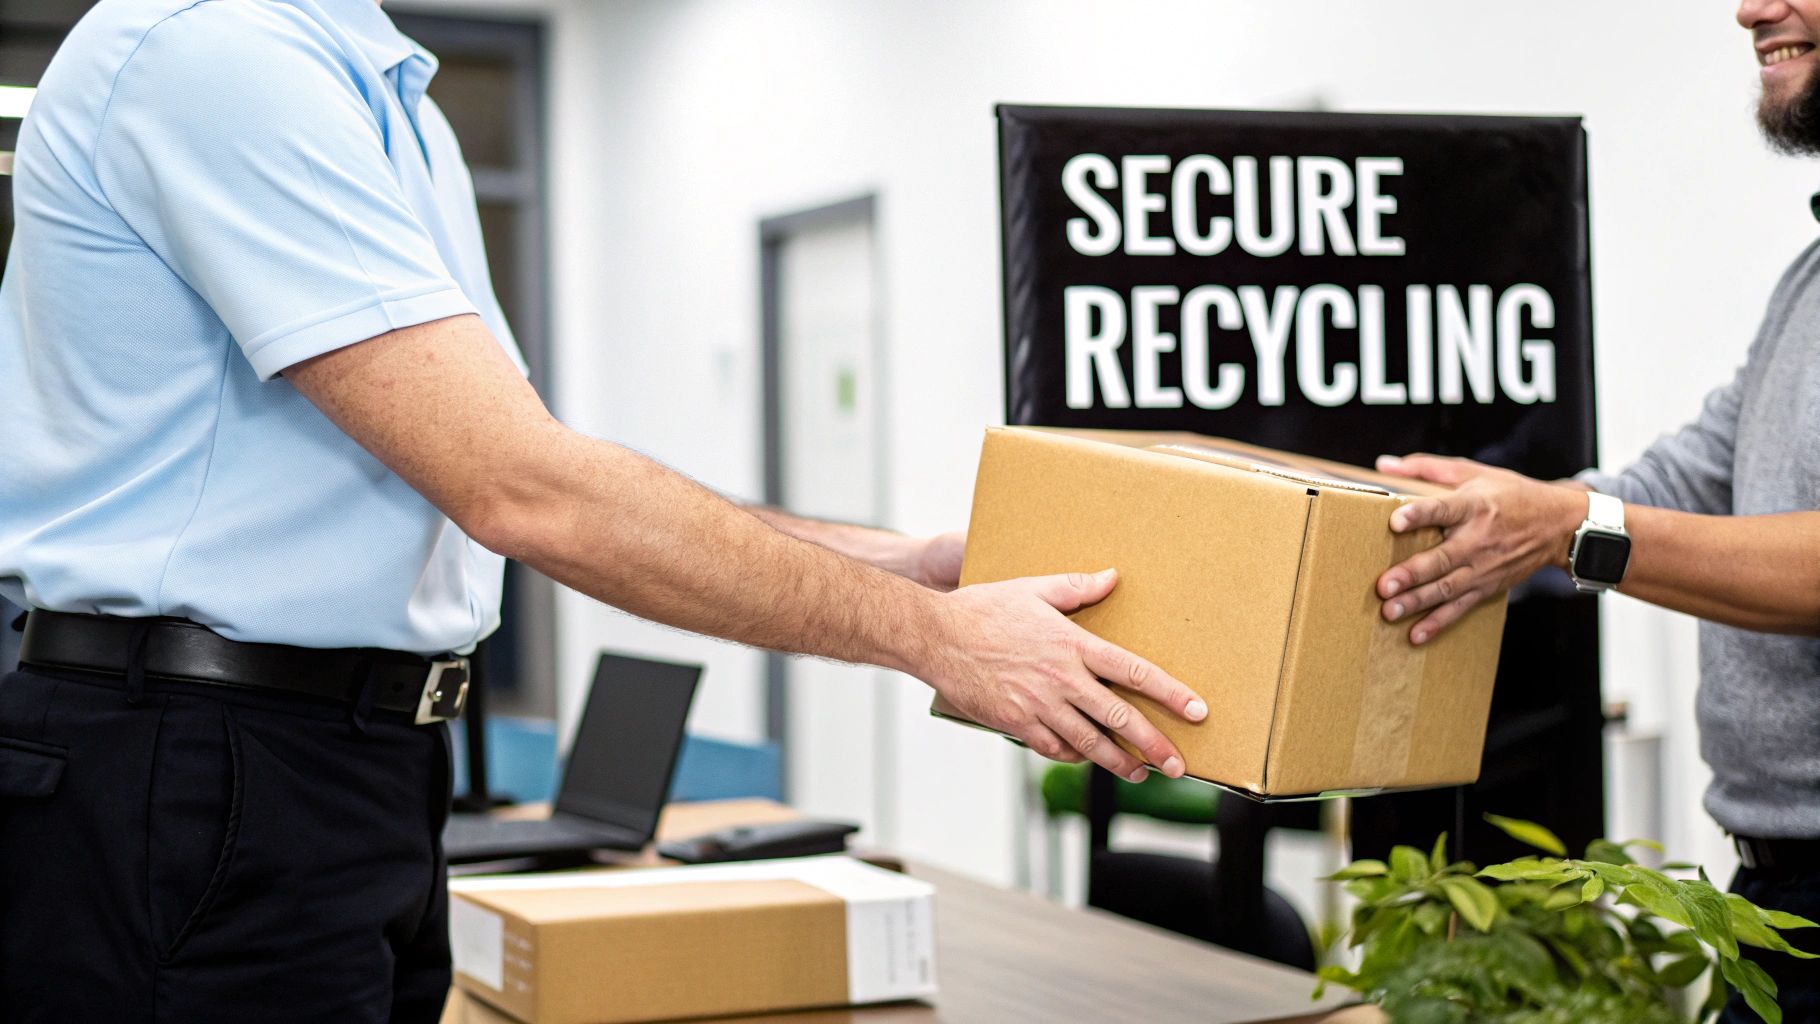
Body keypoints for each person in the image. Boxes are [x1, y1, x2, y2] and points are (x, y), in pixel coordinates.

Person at [0, 0, 1210, 1019]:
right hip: (199, 761)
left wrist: (907, 568)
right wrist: (931, 638)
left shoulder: (387, 96)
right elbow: (525, 494)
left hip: (344, 761)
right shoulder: (214, 52)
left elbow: (533, 462)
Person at [1373, 2, 1820, 1016]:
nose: (1750, 8)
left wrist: (1568, 529)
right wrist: (1498, 511)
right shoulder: (1806, 278)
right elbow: (1690, 475)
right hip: (1776, 891)